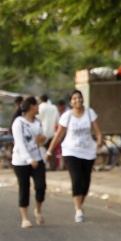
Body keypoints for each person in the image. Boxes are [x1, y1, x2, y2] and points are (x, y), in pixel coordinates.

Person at [47, 90, 102, 223]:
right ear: (71, 102)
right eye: (74, 98)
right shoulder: (67, 116)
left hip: (88, 151)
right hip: (71, 151)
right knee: (76, 179)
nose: (77, 100)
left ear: (83, 99)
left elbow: (98, 131)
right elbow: (59, 134)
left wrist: (99, 141)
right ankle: (78, 209)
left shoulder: (90, 113)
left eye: (79, 98)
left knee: (86, 182)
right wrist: (49, 151)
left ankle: (80, 205)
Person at [11, 96, 47, 228]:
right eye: (37, 106)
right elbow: (19, 143)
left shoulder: (38, 122)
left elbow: (40, 141)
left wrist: (42, 140)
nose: (38, 108)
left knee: (41, 186)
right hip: (21, 161)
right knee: (24, 188)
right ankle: (25, 218)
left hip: (37, 158)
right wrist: (28, 159)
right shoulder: (18, 123)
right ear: (32, 107)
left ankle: (38, 210)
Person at [38, 94, 59, 169]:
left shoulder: (40, 107)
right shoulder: (54, 108)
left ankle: (45, 165)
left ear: (41, 100)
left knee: (42, 149)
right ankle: (53, 166)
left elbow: (37, 119)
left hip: (43, 132)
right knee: (51, 149)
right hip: (52, 132)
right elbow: (58, 121)